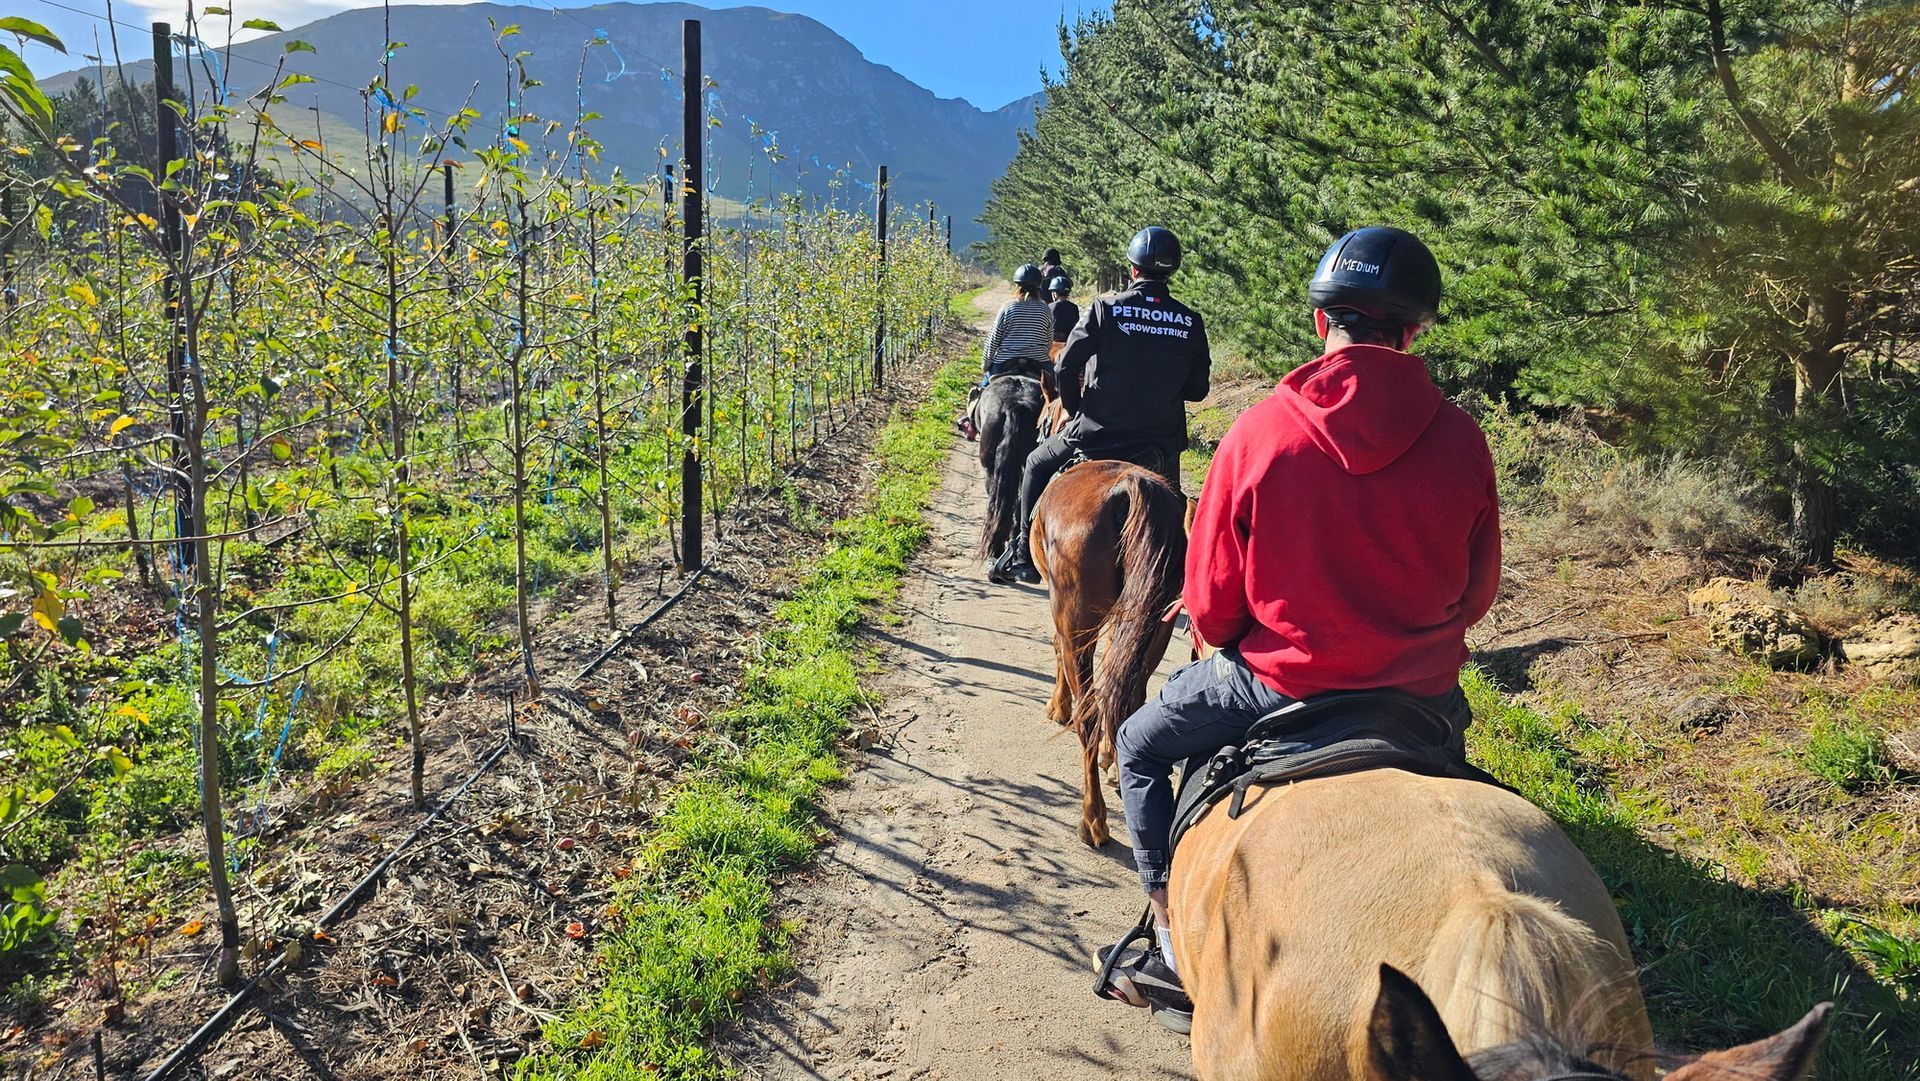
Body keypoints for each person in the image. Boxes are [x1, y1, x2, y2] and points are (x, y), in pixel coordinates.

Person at [1096, 227, 1502, 1030]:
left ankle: (1170, 940)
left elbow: (1210, 610)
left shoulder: (1258, 434)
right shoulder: (1462, 439)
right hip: (1417, 696)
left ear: (1324, 325)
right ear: (1414, 331)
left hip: (1276, 684)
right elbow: (1476, 594)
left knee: (1140, 742)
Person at [986, 227, 1210, 585]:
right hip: (1160, 443)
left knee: (1034, 462)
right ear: (1171, 272)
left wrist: (1075, 411)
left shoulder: (1105, 310)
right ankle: (1190, 581)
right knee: (1176, 513)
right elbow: (1198, 390)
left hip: (1098, 434)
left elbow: (1065, 366)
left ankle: (1023, 552)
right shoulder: (1189, 321)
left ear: (1132, 269)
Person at [957, 263, 1054, 441]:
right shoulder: (1045, 309)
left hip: (1005, 362)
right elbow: (1048, 341)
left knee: (981, 390)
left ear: (1017, 285)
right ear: (1039, 287)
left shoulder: (1008, 307)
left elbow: (993, 339)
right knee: (1055, 394)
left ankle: (970, 421)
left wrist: (985, 365)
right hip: (1038, 363)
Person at [1046, 274, 1078, 362]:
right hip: (1070, 342)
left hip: (1054, 342)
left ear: (1055, 293)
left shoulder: (1050, 306)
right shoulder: (1074, 307)